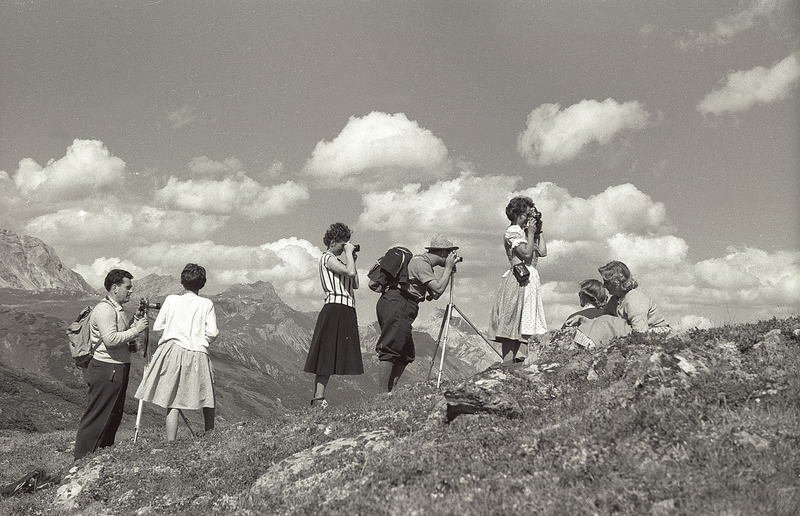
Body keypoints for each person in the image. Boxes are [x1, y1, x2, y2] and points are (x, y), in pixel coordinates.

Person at [134, 263, 219, 441]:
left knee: (172, 397)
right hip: (197, 351)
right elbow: (212, 332)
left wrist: (173, 329)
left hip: (172, 349)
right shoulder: (206, 304)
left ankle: (170, 441)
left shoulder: (172, 300)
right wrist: (201, 340)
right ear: (202, 284)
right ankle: (210, 434)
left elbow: (157, 327)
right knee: (207, 395)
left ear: (182, 282)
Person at [74, 269, 149, 460]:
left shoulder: (116, 309)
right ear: (115, 288)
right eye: (128, 287)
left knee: (113, 415)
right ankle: (81, 460)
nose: (131, 291)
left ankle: (101, 455)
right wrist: (137, 329)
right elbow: (111, 340)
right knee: (98, 415)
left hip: (116, 368)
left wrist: (133, 326)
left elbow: (118, 335)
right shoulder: (105, 310)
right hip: (108, 369)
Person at [374, 234, 459, 392]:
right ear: (441, 253)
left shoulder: (424, 265)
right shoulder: (421, 263)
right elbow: (439, 288)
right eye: (449, 253)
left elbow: (436, 293)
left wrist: (446, 273)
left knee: (406, 351)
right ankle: (383, 394)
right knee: (391, 348)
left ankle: (391, 388)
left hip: (402, 304)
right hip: (398, 303)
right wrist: (447, 268)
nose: (450, 256)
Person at [303, 223, 363, 407]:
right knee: (326, 354)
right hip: (335, 307)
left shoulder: (342, 262)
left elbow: (356, 283)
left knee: (333, 354)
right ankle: (318, 398)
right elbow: (350, 273)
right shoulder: (327, 258)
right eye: (344, 243)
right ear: (333, 241)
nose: (346, 246)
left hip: (345, 309)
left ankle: (319, 398)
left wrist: (351, 257)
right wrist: (348, 255)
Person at [489, 196, 548, 363]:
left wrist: (538, 232)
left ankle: (512, 363)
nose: (529, 217)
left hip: (530, 279)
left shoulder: (524, 233)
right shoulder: (513, 231)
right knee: (512, 321)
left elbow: (542, 252)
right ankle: (507, 363)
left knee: (522, 323)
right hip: (519, 278)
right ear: (519, 214)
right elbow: (526, 253)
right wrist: (529, 233)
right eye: (527, 214)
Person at [598, 261, 670, 333]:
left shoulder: (634, 299)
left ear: (617, 282)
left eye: (607, 282)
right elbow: (604, 320)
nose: (604, 286)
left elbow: (640, 331)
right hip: (638, 332)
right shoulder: (614, 300)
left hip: (656, 332)